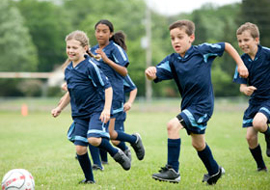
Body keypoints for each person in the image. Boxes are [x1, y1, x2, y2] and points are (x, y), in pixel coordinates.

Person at [145, 19, 249, 185]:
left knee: (172, 125)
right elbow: (156, 72)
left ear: (191, 37)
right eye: (172, 38)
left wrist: (241, 64)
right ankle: (214, 171)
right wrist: (150, 72)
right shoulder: (172, 60)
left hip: (203, 106)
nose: (176, 41)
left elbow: (226, 46)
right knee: (198, 143)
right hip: (188, 106)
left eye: (180, 37)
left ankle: (172, 170)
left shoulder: (202, 51)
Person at [51, 30, 131, 184]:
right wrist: (60, 108)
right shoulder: (68, 70)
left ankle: (117, 153)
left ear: (85, 48)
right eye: (68, 47)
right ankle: (89, 179)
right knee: (80, 149)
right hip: (79, 114)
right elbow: (71, 92)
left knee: (94, 139)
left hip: (96, 110)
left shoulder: (91, 66)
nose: (71, 51)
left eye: (75, 48)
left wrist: (106, 109)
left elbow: (108, 88)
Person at [88, 19, 145, 170]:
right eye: (98, 31)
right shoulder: (92, 50)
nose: (100, 34)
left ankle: (134, 140)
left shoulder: (115, 49)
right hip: (96, 96)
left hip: (113, 95)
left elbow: (124, 71)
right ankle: (98, 163)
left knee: (112, 134)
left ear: (111, 33)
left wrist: (107, 60)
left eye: (104, 31)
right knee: (95, 130)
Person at [233, 22, 270, 172]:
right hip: (255, 102)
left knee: (259, 123)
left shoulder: (267, 54)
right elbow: (241, 85)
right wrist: (245, 89)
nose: (242, 44)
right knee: (250, 137)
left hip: (268, 99)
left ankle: (269, 137)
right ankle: (261, 167)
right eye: (240, 41)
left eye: (246, 40)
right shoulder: (241, 61)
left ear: (256, 39)